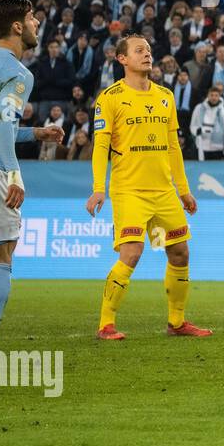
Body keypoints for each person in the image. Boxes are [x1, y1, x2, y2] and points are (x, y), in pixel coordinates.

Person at [87, 34, 208, 340]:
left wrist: (183, 189)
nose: (147, 55)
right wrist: (98, 187)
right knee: (132, 252)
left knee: (180, 253)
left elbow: (172, 147)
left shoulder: (165, 96)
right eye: (139, 50)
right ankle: (106, 324)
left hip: (164, 192)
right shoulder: (110, 97)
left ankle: (177, 322)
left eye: (149, 51)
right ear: (122, 59)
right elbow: (100, 147)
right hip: (130, 191)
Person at [0, 0, 63, 356]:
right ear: (17, 26)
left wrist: (35, 133)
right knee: (1, 257)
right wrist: (14, 173)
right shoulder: (19, 72)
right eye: (33, 19)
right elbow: (2, 122)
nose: (37, 24)